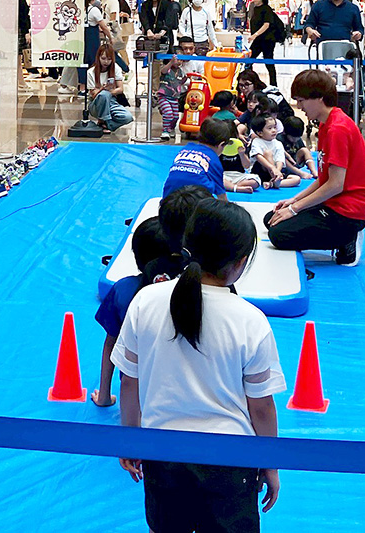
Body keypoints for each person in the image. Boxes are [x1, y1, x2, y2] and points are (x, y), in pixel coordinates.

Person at [113, 199, 284, 532]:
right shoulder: (250, 321)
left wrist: (130, 439)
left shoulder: (145, 300)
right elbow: (261, 407)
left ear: (185, 246)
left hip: (162, 453)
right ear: (240, 262)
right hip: (229, 461)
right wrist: (270, 463)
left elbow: (128, 382)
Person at [264, 69, 365, 267]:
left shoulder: (337, 129)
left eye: (302, 100)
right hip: (333, 201)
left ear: (319, 98)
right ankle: (334, 231)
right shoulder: (325, 125)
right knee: (272, 219)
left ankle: (347, 238)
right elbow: (324, 179)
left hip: (348, 212)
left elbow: (336, 185)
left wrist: (295, 209)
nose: (299, 106)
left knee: (279, 234)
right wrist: (294, 200)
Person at [91, 218, 171, 407]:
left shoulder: (123, 290)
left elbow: (110, 343)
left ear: (136, 256)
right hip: (181, 394)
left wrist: (104, 396)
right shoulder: (188, 290)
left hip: (136, 394)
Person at [163, 118, 230, 199]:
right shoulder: (213, 159)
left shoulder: (185, 149)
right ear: (221, 144)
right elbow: (221, 195)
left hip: (168, 199)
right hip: (196, 202)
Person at [87, 43, 134, 133]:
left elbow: (120, 89)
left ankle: (105, 125)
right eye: (103, 58)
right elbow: (93, 95)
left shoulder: (116, 68)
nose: (106, 62)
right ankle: (103, 120)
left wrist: (110, 92)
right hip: (96, 103)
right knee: (104, 95)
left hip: (112, 101)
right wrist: (103, 89)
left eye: (109, 59)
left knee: (128, 117)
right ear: (98, 58)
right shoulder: (91, 72)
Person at [249, 114, 300, 189]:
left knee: (296, 179)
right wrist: (272, 168)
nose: (274, 130)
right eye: (269, 128)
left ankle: (273, 183)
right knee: (268, 153)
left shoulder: (278, 143)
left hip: (276, 171)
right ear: (260, 132)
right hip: (261, 171)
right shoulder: (257, 141)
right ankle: (274, 180)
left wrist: (278, 171)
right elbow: (258, 156)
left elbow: (280, 159)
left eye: (275, 127)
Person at [79, 0, 114, 97]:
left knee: (82, 62)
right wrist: (111, 37)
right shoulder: (94, 10)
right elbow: (104, 26)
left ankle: (82, 88)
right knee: (95, 62)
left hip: (80, 40)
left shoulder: (79, 10)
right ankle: (95, 86)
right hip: (92, 40)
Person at [248, 0, 280, 86]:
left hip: (267, 40)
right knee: (249, 60)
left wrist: (255, 35)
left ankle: (273, 85)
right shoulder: (254, 8)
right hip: (258, 40)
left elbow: (266, 25)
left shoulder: (266, 9)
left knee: (269, 62)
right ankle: (250, 82)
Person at [158, 49, 188, 140]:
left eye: (181, 60)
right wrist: (171, 62)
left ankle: (171, 128)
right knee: (168, 113)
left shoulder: (181, 71)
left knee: (175, 116)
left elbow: (182, 81)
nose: (179, 62)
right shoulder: (167, 68)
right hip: (164, 96)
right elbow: (163, 71)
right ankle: (165, 130)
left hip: (175, 97)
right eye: (177, 59)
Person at [278, 116, 319, 180]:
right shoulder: (279, 139)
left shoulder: (298, 139)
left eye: (298, 137)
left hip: (295, 162)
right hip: (284, 166)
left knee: (305, 150)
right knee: (282, 157)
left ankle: (314, 171)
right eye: (293, 138)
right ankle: (300, 173)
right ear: (285, 132)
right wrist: (299, 172)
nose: (295, 140)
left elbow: (304, 152)